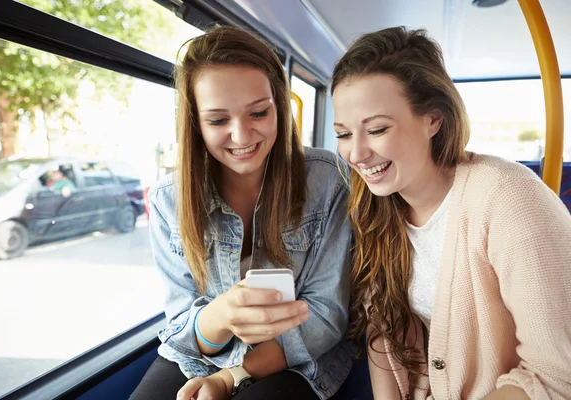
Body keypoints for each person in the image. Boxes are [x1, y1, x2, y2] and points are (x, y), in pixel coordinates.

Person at [331, 26, 571, 399]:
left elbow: (557, 375)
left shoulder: (509, 201)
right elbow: (383, 328)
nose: (357, 154)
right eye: (344, 134)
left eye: (376, 129)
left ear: (433, 119)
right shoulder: (376, 207)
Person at [130, 26, 354, 400]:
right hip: (201, 355)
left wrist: (232, 376)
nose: (242, 136)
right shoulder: (168, 200)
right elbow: (181, 323)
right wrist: (221, 315)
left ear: (279, 107)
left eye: (258, 112)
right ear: (196, 124)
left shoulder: (327, 178)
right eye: (218, 121)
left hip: (301, 357)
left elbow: (327, 315)